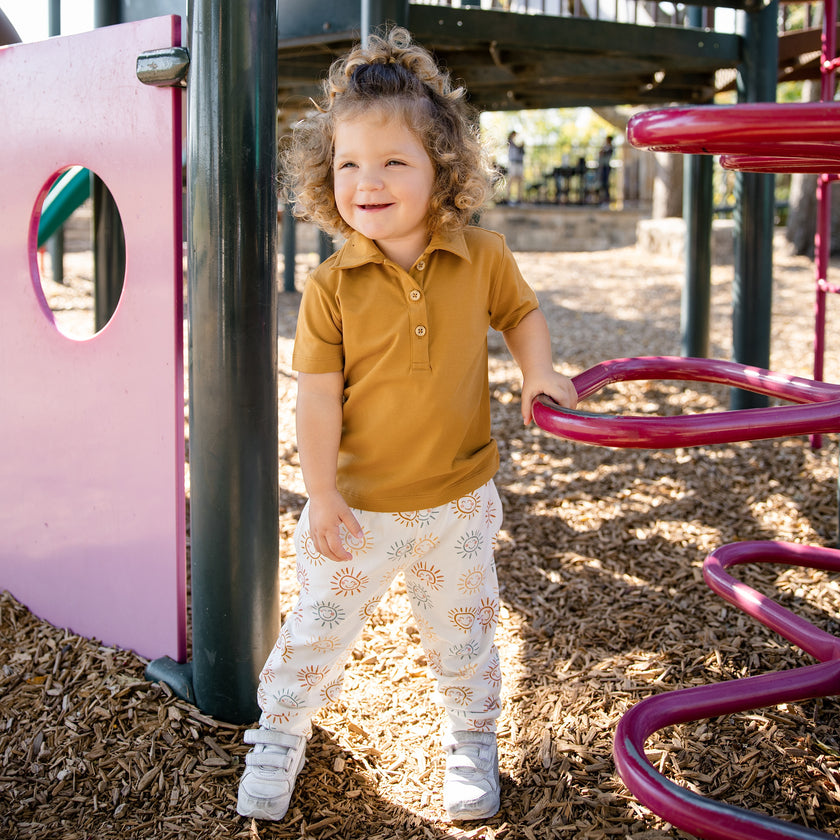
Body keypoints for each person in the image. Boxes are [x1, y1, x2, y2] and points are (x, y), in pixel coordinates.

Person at [236, 26, 577, 824]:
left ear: (442, 172)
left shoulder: (481, 256)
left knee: (464, 634)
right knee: (316, 631)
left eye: (395, 161)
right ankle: (280, 734)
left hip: (458, 501)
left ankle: (471, 738)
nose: (369, 180)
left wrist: (539, 371)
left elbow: (520, 314)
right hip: (359, 509)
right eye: (349, 163)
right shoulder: (329, 287)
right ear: (328, 176)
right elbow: (316, 398)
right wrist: (320, 493)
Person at [505, 130, 525, 204]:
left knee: (520, 180)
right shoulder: (510, 143)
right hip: (513, 162)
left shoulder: (520, 146)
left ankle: (519, 198)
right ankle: (507, 197)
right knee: (511, 179)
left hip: (519, 162)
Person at [597, 135, 614, 206]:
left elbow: (604, 154)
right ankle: (602, 198)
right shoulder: (605, 147)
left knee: (605, 183)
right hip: (602, 167)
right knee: (602, 183)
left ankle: (606, 199)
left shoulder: (610, 148)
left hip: (606, 167)